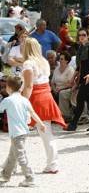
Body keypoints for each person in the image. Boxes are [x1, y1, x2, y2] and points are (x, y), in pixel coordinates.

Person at [21, 38, 66, 174]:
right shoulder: (44, 61)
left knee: (22, 133)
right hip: (46, 96)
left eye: (23, 46)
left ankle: (52, 164)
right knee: (45, 132)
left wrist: (22, 103)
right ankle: (52, 163)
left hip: (36, 98)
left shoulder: (28, 63)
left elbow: (29, 86)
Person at [0, 76, 46, 187]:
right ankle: (5, 175)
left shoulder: (7, 100)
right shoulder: (24, 100)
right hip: (23, 132)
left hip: (16, 133)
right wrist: (41, 123)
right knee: (13, 155)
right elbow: (33, 113)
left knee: (21, 156)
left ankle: (30, 178)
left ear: (9, 88)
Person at [66, 28, 89, 132]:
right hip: (83, 78)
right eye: (80, 35)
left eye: (84, 34)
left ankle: (73, 124)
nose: (81, 36)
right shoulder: (80, 48)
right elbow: (79, 66)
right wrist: (73, 78)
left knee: (80, 99)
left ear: (88, 36)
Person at [50, 51, 75, 120]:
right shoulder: (57, 69)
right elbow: (52, 82)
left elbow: (71, 84)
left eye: (61, 59)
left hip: (67, 89)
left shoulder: (70, 70)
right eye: (59, 59)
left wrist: (60, 89)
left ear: (67, 61)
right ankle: (52, 115)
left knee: (62, 93)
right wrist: (54, 89)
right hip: (56, 89)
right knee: (48, 94)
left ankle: (65, 115)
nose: (59, 61)